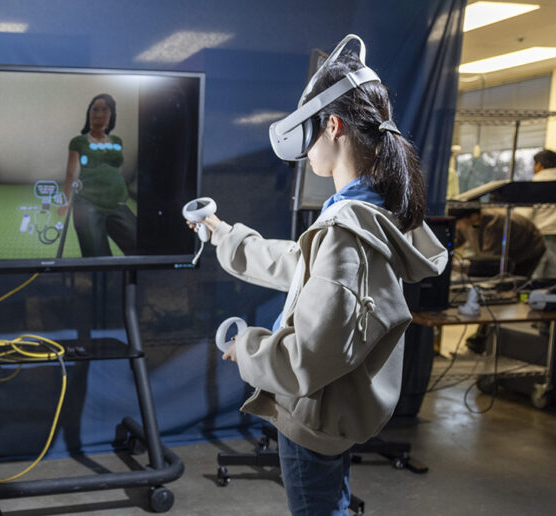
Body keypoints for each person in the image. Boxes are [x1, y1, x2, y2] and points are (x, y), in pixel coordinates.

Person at [189, 39, 446, 514]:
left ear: (333, 125)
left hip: (314, 420)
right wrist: (224, 235)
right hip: (338, 414)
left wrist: (244, 346)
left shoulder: (350, 233)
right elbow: (300, 263)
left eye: (309, 134)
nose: (306, 152)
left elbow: (305, 360)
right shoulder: (370, 214)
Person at [58, 93, 137, 257]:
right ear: (89, 114)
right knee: (97, 257)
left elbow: (118, 169)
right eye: (95, 110)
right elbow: (70, 174)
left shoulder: (117, 141)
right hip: (87, 203)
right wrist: (66, 202)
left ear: (111, 115)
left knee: (139, 246)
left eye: (104, 110)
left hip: (117, 203)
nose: (99, 114)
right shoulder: (78, 142)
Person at [449, 204, 545, 278]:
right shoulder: (466, 224)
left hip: (529, 249)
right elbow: (456, 241)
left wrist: (462, 267)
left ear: (474, 216)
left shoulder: (495, 224)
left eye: (458, 223)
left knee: (515, 282)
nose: (456, 226)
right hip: (507, 253)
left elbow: (489, 258)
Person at [526, 149, 556, 277]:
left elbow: (526, 212)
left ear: (538, 165)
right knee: (554, 274)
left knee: (535, 274)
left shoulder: (537, 181)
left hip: (538, 235)